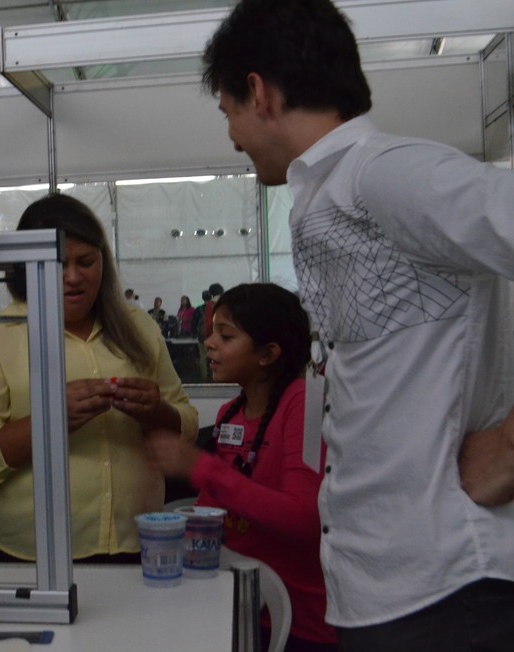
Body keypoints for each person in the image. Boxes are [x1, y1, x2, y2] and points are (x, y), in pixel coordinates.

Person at [201, 1, 514, 649]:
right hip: (377, 583)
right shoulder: (326, 191)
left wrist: (512, 444)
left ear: (258, 93)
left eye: (227, 110)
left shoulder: (386, 172)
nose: (230, 135)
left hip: (445, 584)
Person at [0, 194, 198, 563]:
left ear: (103, 262)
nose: (74, 277)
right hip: (29, 556)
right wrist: (49, 420)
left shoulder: (138, 328)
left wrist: (156, 412)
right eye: (58, 263)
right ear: (25, 268)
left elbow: (187, 424)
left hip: (137, 546)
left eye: (86, 262)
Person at [146, 283, 335, 650]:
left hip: (299, 623)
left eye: (226, 336)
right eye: (212, 333)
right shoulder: (229, 413)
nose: (209, 344)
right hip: (236, 605)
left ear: (268, 354)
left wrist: (200, 467)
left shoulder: (305, 405)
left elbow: (304, 519)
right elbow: (212, 508)